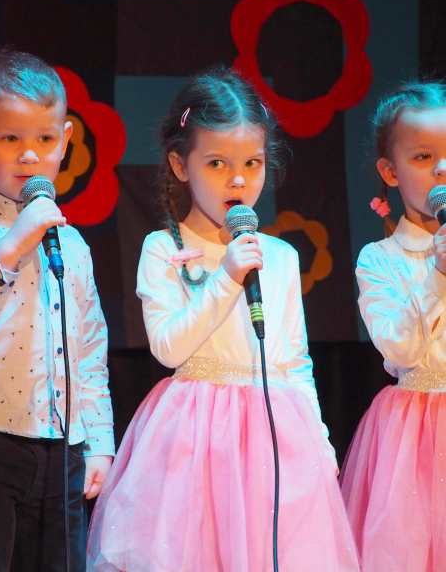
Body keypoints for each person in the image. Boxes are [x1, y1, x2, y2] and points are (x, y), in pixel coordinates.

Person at [87, 69, 359, 572]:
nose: (238, 180)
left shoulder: (279, 256)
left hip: (273, 435)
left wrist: (321, 444)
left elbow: (294, 360)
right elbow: (168, 347)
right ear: (180, 164)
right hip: (194, 440)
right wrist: (226, 278)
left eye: (252, 163)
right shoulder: (162, 247)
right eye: (217, 163)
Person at [0, 48, 114, 572]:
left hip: (63, 447)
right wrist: (10, 246)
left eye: (45, 140)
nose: (29, 156)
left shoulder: (72, 244)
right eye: (10, 139)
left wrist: (98, 440)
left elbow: (89, 346)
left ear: (66, 141)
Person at [340, 80, 446, 571]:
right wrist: (437, 276)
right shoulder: (379, 259)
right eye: (424, 157)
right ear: (390, 171)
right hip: (416, 438)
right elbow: (399, 349)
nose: (442, 169)